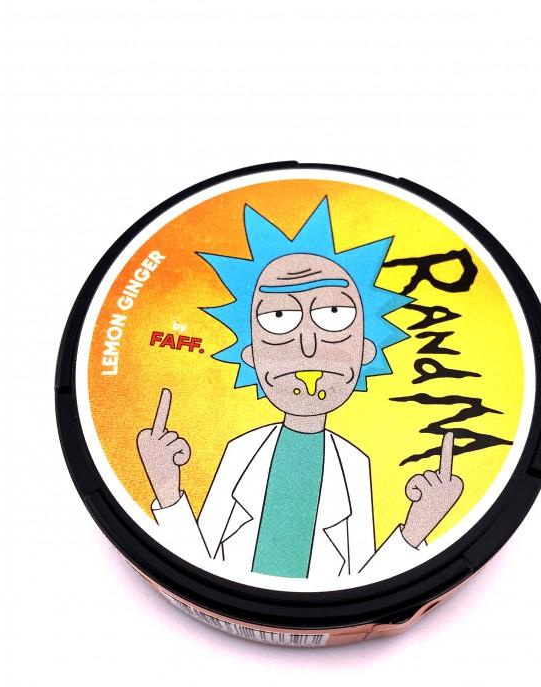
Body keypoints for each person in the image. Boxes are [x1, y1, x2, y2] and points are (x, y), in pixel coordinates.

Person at [137, 199, 463, 579]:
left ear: (365, 351)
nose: (308, 345)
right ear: (252, 356)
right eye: (278, 318)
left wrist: (417, 527)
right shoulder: (241, 452)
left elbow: (362, 581)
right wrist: (166, 487)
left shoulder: (354, 466)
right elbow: (198, 564)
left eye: (333, 315)